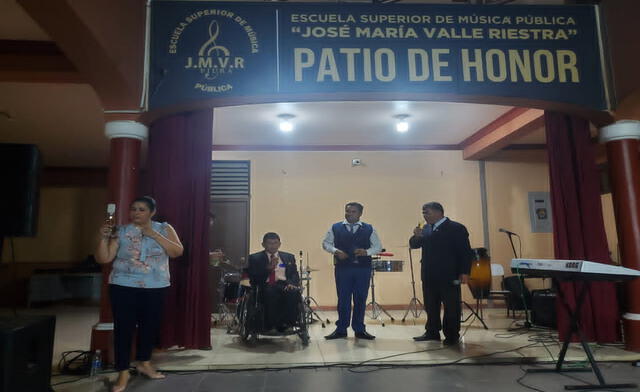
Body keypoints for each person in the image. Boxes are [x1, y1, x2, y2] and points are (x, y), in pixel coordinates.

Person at [95, 196, 183, 392]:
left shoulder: (164, 228)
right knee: (123, 328)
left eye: (141, 209)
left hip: (156, 286)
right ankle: (123, 371)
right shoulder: (121, 231)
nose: (136, 213)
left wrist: (154, 235)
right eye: (133, 209)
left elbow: (177, 252)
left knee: (149, 327)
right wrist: (102, 237)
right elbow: (104, 258)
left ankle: (144, 362)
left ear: (152, 212)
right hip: (123, 285)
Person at [410, 202, 472, 346]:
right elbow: (414, 244)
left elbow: (465, 252)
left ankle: (451, 335)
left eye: (427, 213)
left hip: (450, 275)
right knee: (430, 305)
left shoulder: (456, 228)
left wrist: (465, 272)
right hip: (429, 274)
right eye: (423, 213)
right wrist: (416, 236)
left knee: (451, 306)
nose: (424, 216)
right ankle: (432, 332)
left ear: (439, 212)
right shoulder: (425, 228)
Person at [322, 202, 382, 340]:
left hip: (363, 269)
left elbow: (378, 246)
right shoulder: (335, 227)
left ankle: (359, 329)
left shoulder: (369, 228)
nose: (349, 213)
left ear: (360, 213)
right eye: (347, 211)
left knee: (360, 298)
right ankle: (341, 329)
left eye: (353, 211)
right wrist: (336, 251)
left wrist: (366, 252)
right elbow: (326, 243)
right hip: (343, 269)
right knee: (343, 299)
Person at [246, 232, 301, 332]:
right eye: (269, 243)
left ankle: (288, 324)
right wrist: (268, 269)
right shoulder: (255, 258)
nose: (273, 246)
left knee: (293, 293)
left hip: (284, 284)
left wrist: (292, 284)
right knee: (271, 293)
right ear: (263, 244)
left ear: (279, 244)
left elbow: (294, 274)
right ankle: (271, 326)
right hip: (265, 285)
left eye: (275, 243)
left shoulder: (288, 257)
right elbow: (253, 277)